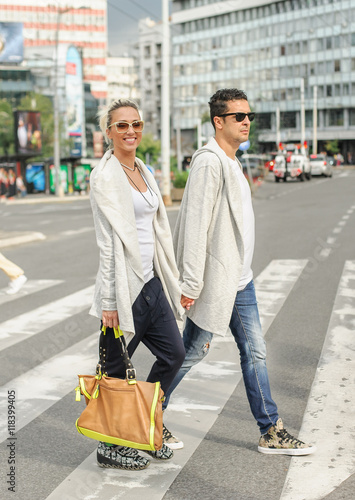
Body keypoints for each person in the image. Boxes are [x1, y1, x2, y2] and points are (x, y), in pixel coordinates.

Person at [163, 88, 316, 456]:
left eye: (249, 116)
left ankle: (270, 429)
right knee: (193, 351)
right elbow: (196, 224)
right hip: (215, 280)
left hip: (239, 279)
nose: (246, 122)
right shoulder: (209, 162)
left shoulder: (233, 160)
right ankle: (146, 413)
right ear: (218, 121)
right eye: (238, 116)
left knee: (255, 351)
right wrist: (192, 283)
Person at [89, 98, 186, 471]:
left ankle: (145, 426)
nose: (130, 131)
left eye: (136, 124)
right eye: (121, 125)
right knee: (114, 370)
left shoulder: (143, 169)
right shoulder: (104, 177)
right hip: (124, 288)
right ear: (109, 132)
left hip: (151, 282)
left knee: (173, 354)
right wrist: (110, 301)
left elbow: (156, 228)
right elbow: (106, 245)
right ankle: (110, 446)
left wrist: (172, 280)